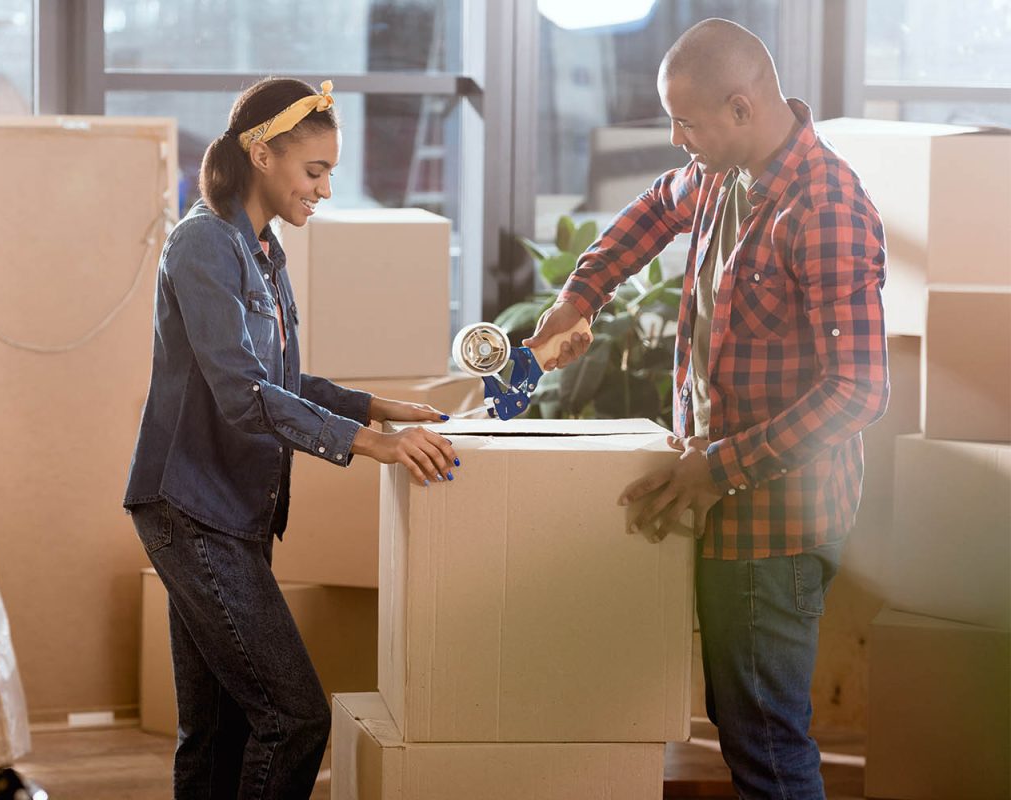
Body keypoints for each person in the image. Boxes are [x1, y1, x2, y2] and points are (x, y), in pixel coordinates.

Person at [524, 19, 887, 799]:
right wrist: (582, 294)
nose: (676, 137)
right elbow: (657, 208)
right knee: (744, 723)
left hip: (775, 528)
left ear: (741, 107)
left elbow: (857, 390)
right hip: (726, 507)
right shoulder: (724, 171)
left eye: (686, 121)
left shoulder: (824, 209)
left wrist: (719, 466)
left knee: (766, 741)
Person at [123, 77, 460, 800]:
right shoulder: (204, 245)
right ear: (261, 154)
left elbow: (284, 380)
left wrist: (384, 409)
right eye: (316, 171)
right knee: (296, 715)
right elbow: (245, 397)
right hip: (191, 509)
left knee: (219, 731)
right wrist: (372, 446)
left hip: (231, 512)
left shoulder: (265, 254)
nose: (327, 189)